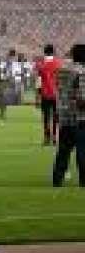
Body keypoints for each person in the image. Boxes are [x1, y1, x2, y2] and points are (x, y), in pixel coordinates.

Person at [52, 44, 85, 187]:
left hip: (65, 115)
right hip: (80, 117)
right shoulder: (81, 72)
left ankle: (57, 179)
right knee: (82, 151)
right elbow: (82, 97)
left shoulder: (61, 71)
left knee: (63, 151)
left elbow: (60, 91)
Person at [36, 44, 63, 146]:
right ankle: (55, 137)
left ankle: (47, 137)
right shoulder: (58, 63)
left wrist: (38, 94)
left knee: (46, 116)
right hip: (56, 93)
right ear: (53, 52)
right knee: (56, 117)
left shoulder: (41, 64)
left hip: (45, 93)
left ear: (45, 52)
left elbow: (39, 80)